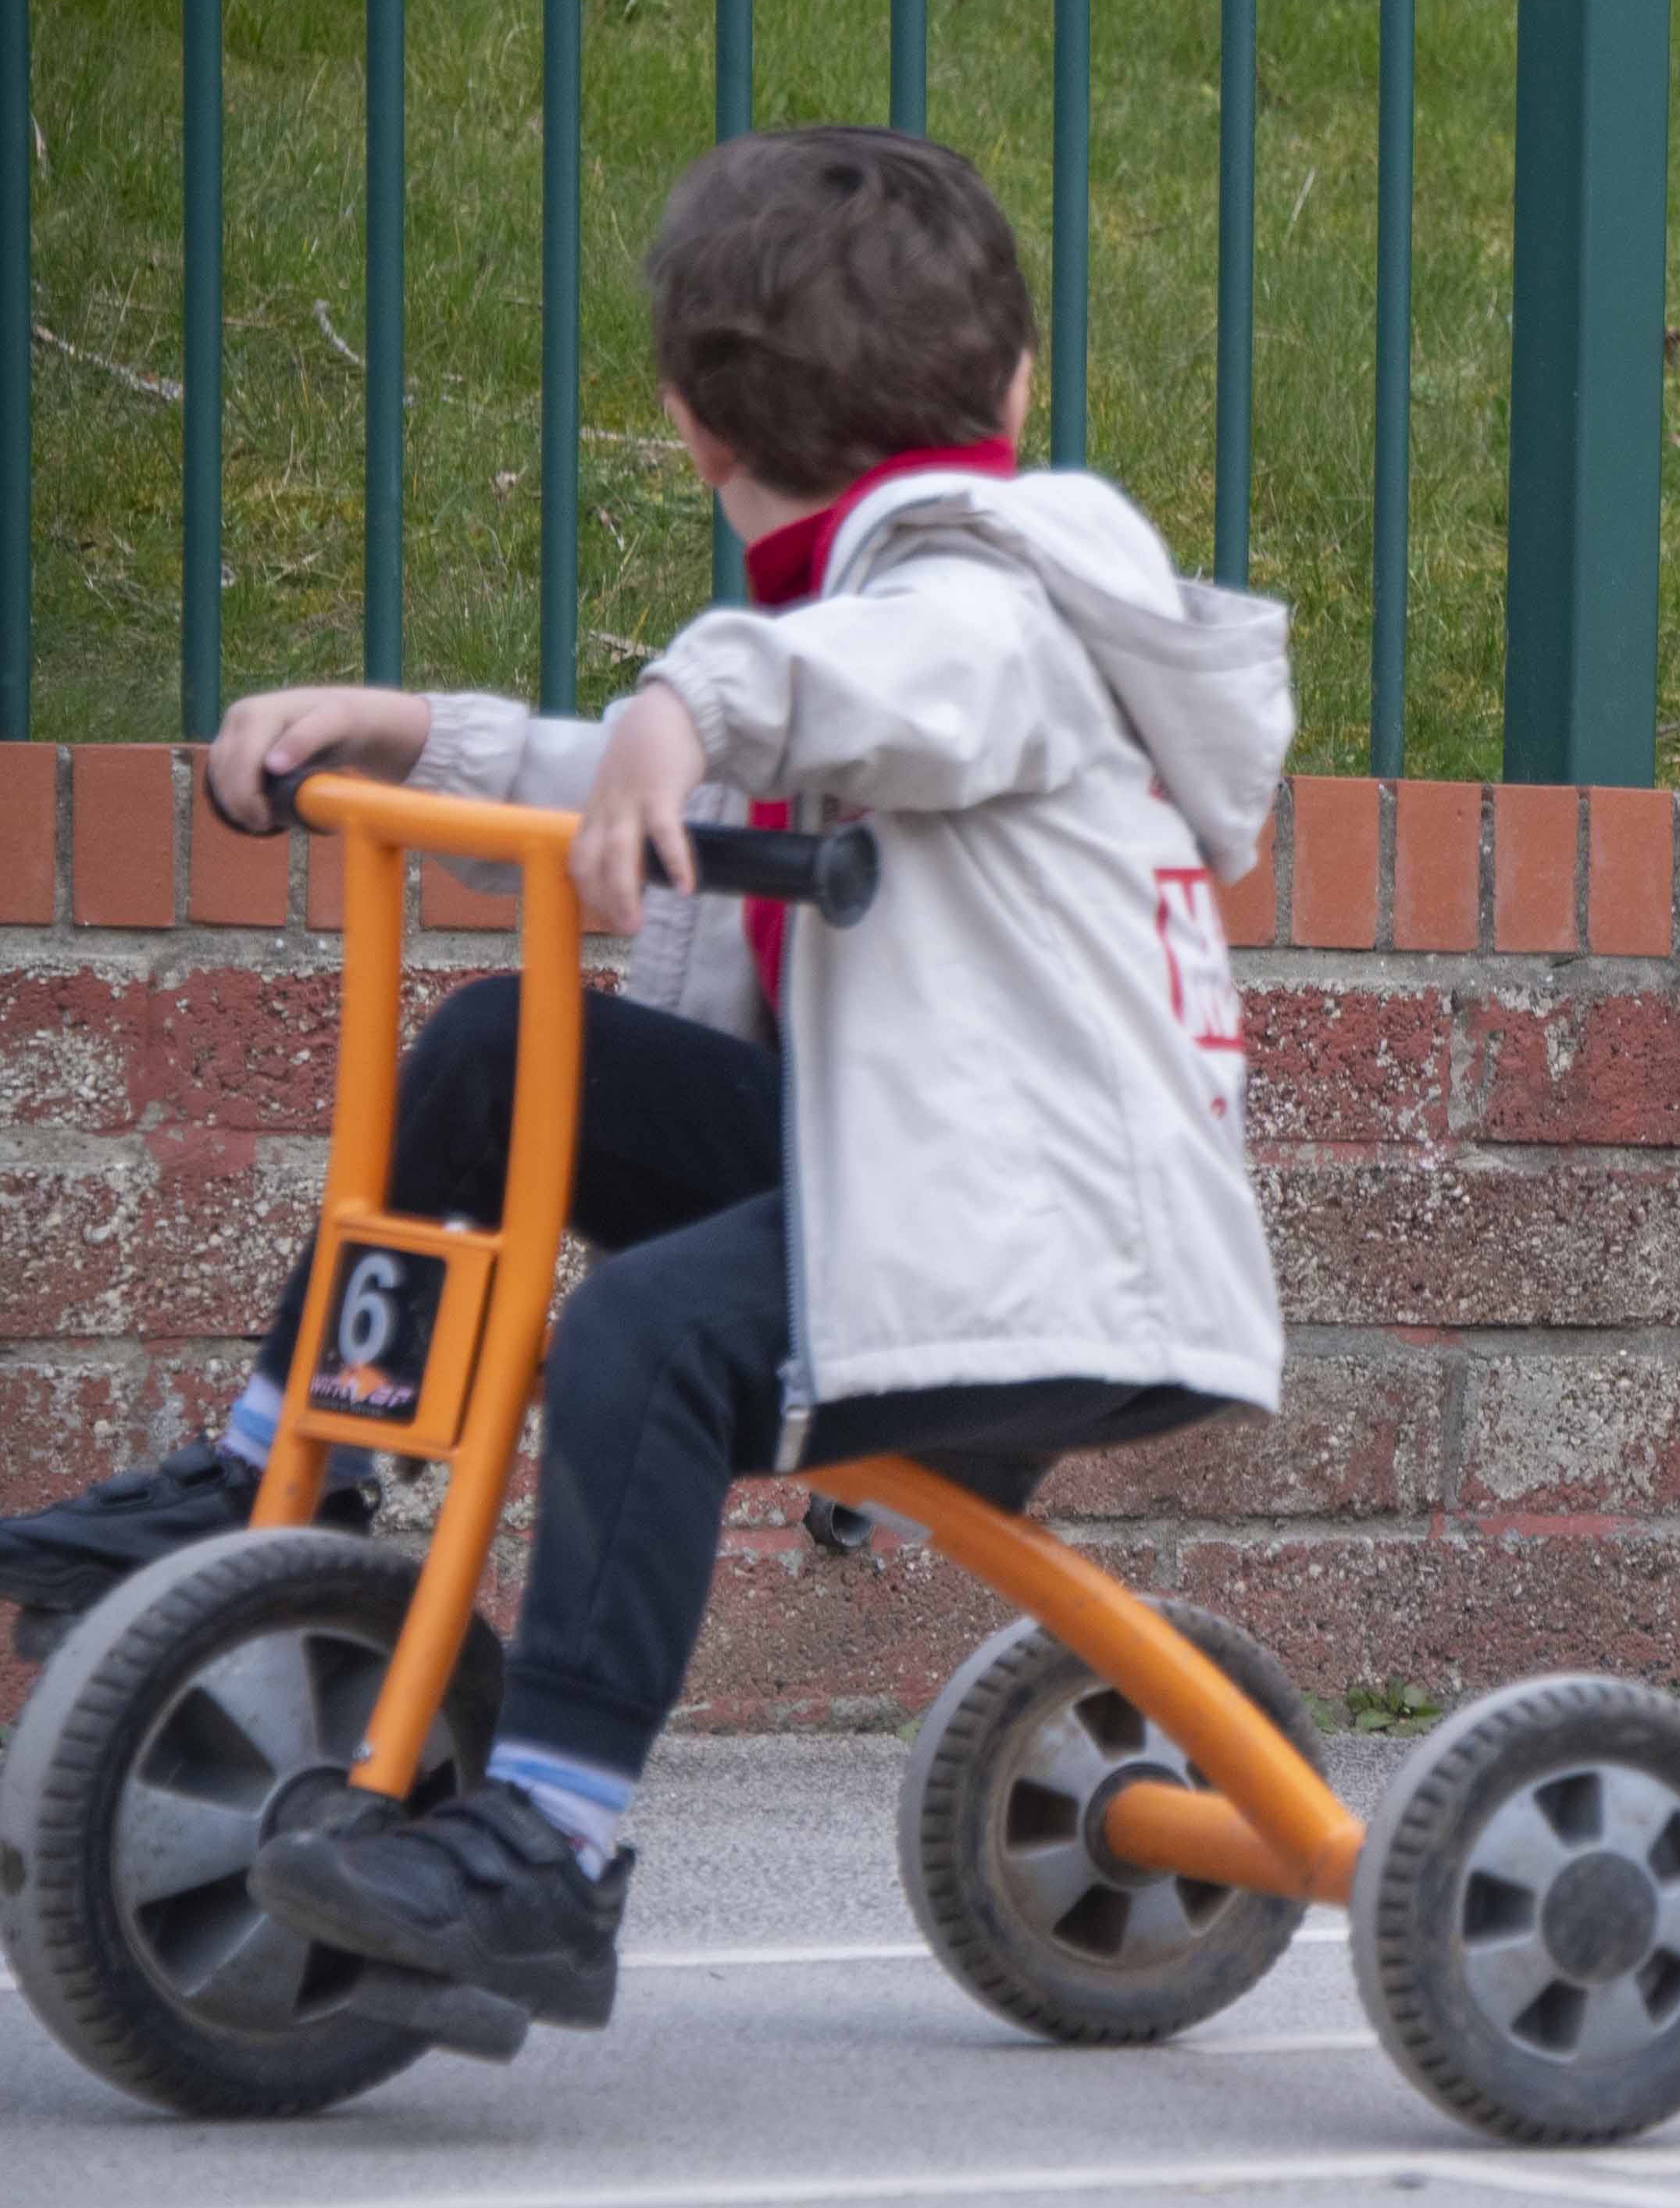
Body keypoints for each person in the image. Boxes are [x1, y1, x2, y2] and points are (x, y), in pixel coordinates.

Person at [28, 127, 1290, 2036]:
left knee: (645, 1336)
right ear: (1017, 381)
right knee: (494, 1050)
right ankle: (270, 1467)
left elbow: (876, 680)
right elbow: (698, 771)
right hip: (911, 1188)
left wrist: (686, 694)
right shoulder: (845, 631)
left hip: (1060, 1266)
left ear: (691, 427)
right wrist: (412, 732)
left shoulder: (1001, 608)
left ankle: (550, 1844)